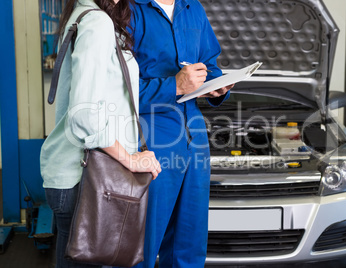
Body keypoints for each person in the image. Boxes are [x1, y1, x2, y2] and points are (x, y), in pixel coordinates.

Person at [40, 0, 161, 267]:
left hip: (77, 176)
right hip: (82, 179)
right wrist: (130, 160)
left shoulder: (84, 16)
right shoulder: (98, 23)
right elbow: (84, 115)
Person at [129, 0, 233, 267]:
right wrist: (174, 85)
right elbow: (119, 88)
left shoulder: (192, 8)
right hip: (150, 134)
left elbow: (209, 63)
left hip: (194, 133)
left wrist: (216, 84)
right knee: (141, 243)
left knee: (189, 241)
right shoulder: (130, 10)